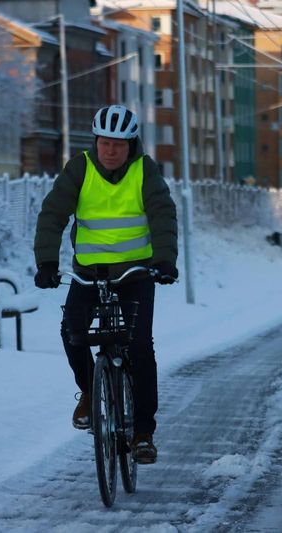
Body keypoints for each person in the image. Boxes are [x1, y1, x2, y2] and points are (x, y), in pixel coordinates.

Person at [33, 104, 178, 464]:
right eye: (105, 143)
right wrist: (47, 262)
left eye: (119, 144)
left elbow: (162, 214)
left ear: (132, 145)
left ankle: (143, 432)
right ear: (95, 142)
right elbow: (53, 214)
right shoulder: (79, 169)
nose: (111, 151)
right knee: (72, 332)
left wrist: (164, 261)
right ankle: (88, 391)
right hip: (89, 272)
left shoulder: (145, 171)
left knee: (140, 347)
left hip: (136, 273)